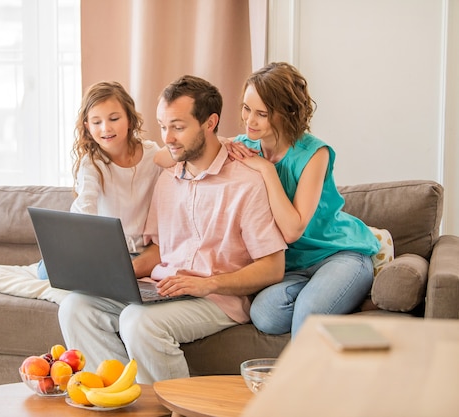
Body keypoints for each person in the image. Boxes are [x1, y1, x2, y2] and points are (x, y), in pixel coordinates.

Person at [57, 75, 287, 384]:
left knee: (138, 321)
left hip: (214, 298)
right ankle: (118, 398)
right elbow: (160, 249)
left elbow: (273, 268)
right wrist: (118, 277)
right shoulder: (167, 178)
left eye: (178, 127)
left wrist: (210, 284)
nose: (168, 138)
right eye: (163, 127)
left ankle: (177, 408)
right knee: (75, 307)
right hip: (163, 287)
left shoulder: (246, 181)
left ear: (210, 122)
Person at [225, 62, 381, 337]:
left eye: (261, 114)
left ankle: (296, 379)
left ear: (287, 113)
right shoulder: (242, 146)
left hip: (338, 255)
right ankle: (341, 300)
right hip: (292, 267)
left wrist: (266, 169)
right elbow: (185, 152)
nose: (249, 121)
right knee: (265, 315)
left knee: (308, 312)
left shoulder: (314, 153)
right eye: (246, 108)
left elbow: (292, 229)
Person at [38, 81, 162, 279]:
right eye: (97, 122)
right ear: (87, 127)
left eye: (114, 118)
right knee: (47, 271)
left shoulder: (152, 154)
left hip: (140, 251)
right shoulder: (92, 163)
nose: (106, 128)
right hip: (102, 251)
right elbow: (84, 207)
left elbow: (181, 165)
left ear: (129, 120)